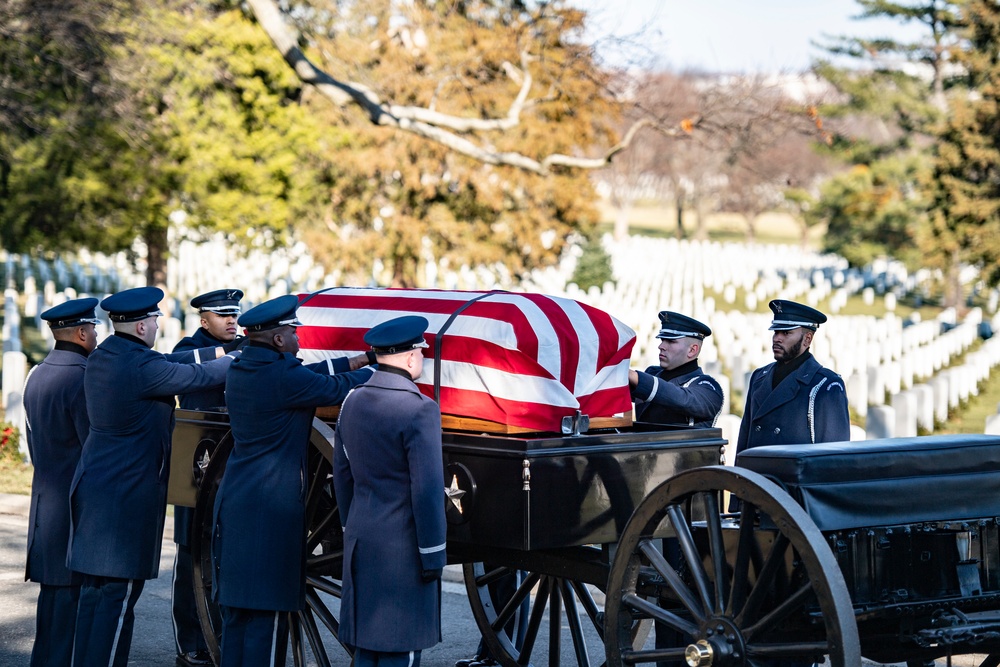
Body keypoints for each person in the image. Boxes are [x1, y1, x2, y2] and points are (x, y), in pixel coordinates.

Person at [68, 286, 239, 667]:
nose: (157, 325)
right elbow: (197, 375)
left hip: (96, 487)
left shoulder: (105, 356)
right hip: (127, 496)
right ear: (143, 326)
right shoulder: (142, 367)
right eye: (154, 320)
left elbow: (178, 362)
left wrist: (225, 350)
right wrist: (244, 357)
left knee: (95, 597)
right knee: (118, 599)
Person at [211, 294, 375, 667]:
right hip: (270, 511)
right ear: (280, 340)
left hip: (237, 500)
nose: (299, 337)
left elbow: (313, 374)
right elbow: (336, 388)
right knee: (265, 624)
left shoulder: (243, 368)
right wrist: (386, 369)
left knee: (237, 616)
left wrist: (364, 357)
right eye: (293, 331)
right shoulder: (283, 377)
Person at [334, 315, 447, 667]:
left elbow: (342, 475)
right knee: (400, 651)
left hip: (362, 537)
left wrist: (350, 529)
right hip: (404, 550)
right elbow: (427, 491)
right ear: (412, 358)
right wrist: (433, 554)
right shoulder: (420, 409)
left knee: (367, 650)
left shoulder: (351, 401)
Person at [170, 289, 247, 667]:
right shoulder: (190, 346)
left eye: (234, 314)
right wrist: (228, 356)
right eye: (222, 315)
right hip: (196, 464)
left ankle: (221, 635)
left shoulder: (246, 344)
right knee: (191, 555)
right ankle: (190, 642)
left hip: (233, 460)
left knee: (226, 553)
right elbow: (175, 363)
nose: (232, 321)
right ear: (204, 320)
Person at [22, 298, 100, 667]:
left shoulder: (37, 373)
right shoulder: (83, 377)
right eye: (95, 329)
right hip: (75, 507)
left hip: (46, 504)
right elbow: (93, 450)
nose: (97, 334)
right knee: (70, 610)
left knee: (51, 610)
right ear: (82, 333)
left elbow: (33, 439)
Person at [735, 299, 850, 456]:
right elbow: (744, 441)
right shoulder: (759, 377)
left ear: (807, 339)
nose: (777, 338)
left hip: (792, 479)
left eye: (786, 333)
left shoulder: (825, 385)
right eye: (776, 332)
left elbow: (833, 456)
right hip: (756, 477)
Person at [629, 310, 724, 427]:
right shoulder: (652, 373)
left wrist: (634, 377)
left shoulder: (708, 388)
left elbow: (682, 399)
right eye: (662, 340)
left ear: (692, 350)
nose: (661, 346)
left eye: (671, 341)